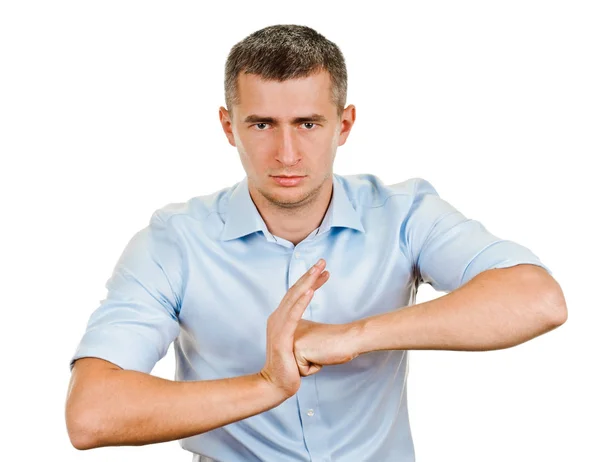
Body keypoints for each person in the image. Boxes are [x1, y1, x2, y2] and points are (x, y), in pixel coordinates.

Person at [65, 24, 568, 462]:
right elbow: (91, 414)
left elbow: (538, 299)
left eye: (308, 124)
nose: (286, 153)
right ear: (228, 127)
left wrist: (352, 335)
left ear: (343, 125)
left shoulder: (404, 214)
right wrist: (265, 386)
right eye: (262, 125)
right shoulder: (173, 242)